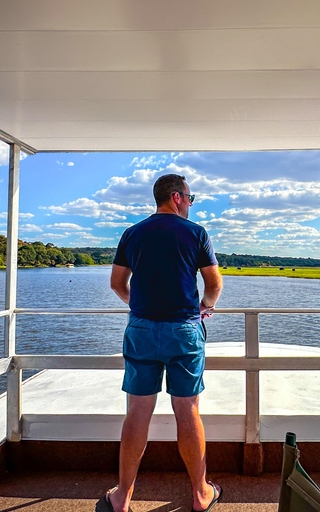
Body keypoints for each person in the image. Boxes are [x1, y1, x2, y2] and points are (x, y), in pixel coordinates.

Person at [106, 174, 224, 512]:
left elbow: (117, 283)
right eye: (190, 197)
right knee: (187, 411)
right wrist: (205, 307)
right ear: (176, 197)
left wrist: (141, 309)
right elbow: (214, 284)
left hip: (142, 330)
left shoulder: (133, 233)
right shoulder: (195, 233)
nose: (190, 203)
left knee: (138, 412)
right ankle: (201, 494)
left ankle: (122, 498)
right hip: (184, 331)